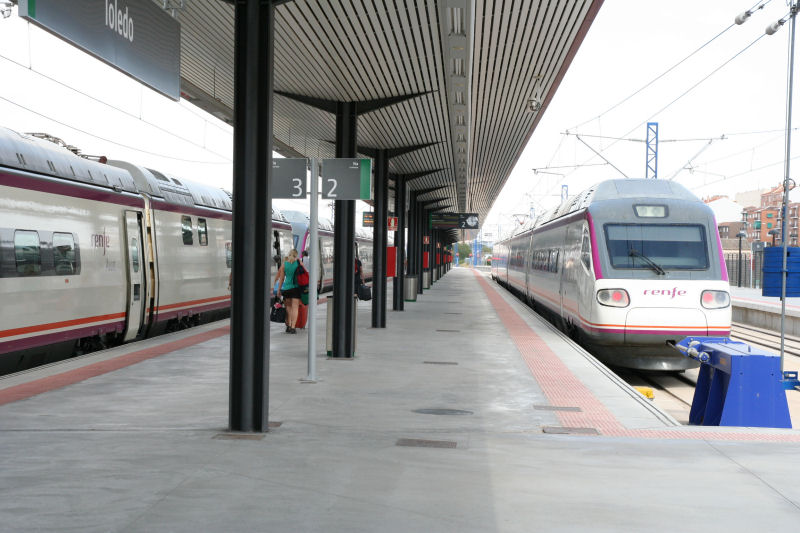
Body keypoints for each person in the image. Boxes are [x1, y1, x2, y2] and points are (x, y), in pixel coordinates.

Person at [274, 249, 303, 334]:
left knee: (288, 308)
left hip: (286, 288)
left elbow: (282, 279)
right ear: (296, 255)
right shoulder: (298, 263)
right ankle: (293, 327)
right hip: (296, 288)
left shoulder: (284, 264)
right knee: (295, 308)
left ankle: (289, 325)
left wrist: (279, 290)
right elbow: (304, 272)